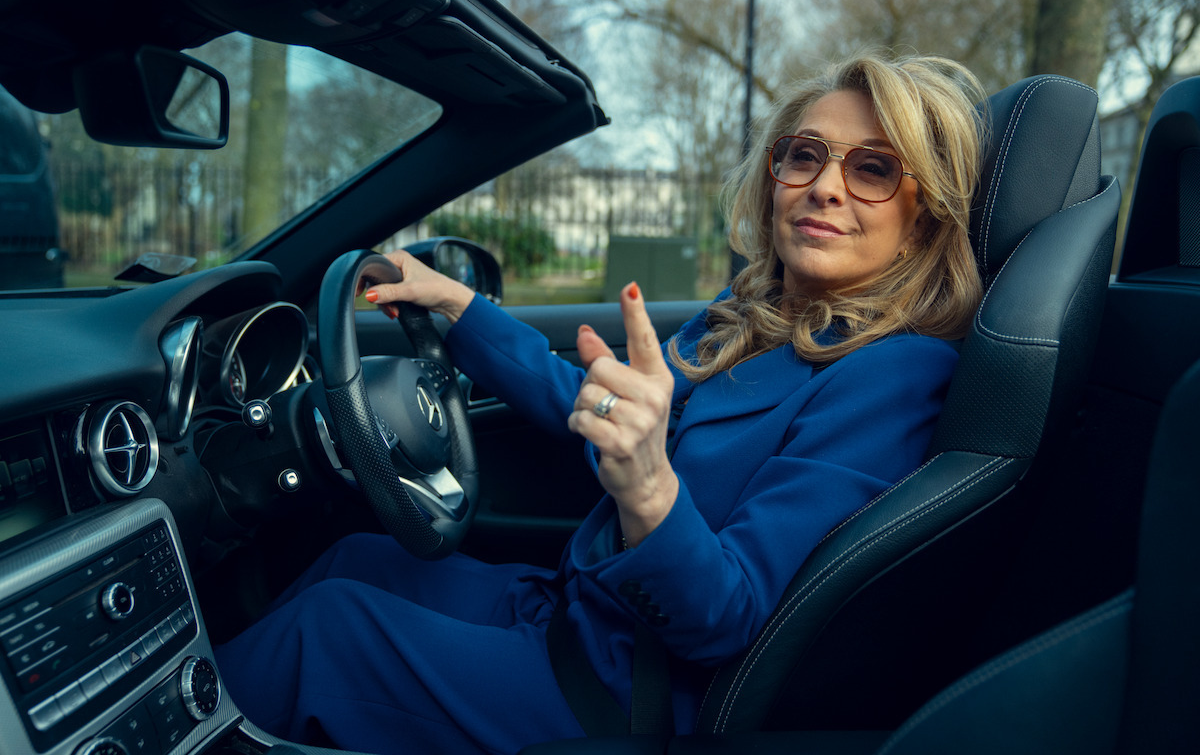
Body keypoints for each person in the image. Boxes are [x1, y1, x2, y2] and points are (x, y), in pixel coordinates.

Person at [214, 52, 988, 754]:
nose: (824, 184)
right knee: (358, 559)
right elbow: (602, 399)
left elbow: (732, 617)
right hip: (569, 615)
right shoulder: (752, 313)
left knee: (324, 637)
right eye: (806, 155)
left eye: (875, 169)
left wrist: (648, 486)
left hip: (625, 695)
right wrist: (459, 308)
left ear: (924, 217)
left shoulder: (893, 375)